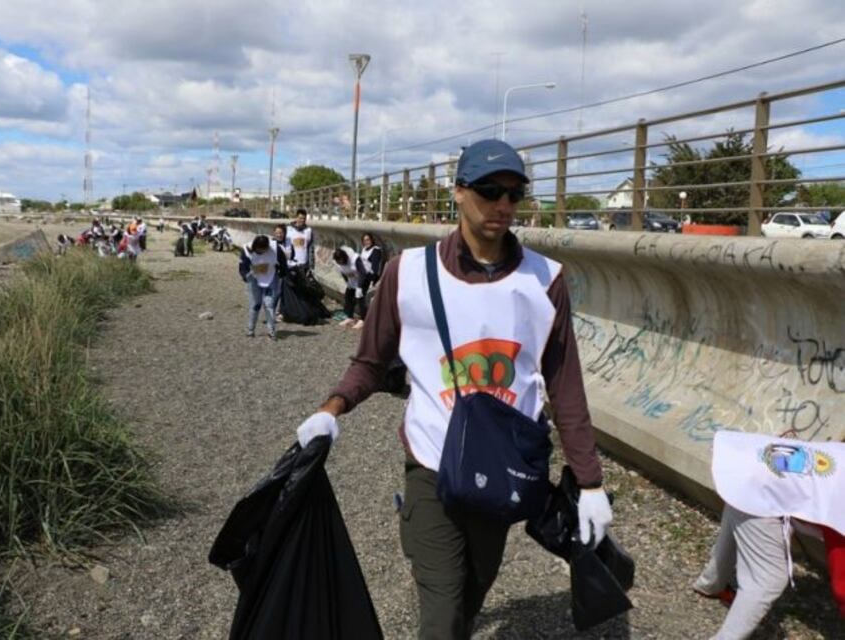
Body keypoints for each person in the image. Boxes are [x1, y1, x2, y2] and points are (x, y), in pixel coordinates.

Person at [293, 139, 613, 638]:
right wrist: (330, 410)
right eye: (489, 190)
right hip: (431, 465)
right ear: (459, 192)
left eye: (514, 193)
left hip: (505, 467)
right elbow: (371, 363)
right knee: (441, 611)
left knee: (473, 590)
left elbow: (564, 386)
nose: (503, 205)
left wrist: (589, 482)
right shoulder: (409, 274)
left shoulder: (546, 280)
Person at [694, 432, 845, 639]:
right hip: (762, 484)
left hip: (750, 465)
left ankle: (710, 584)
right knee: (768, 579)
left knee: (741, 505)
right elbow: (842, 587)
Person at [238, 234, 285, 339]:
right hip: (254, 279)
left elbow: (283, 263)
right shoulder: (246, 249)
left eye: (264, 250)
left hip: (271, 278)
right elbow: (242, 267)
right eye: (259, 251)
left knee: (269, 305)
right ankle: (250, 330)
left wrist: (282, 273)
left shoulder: (275, 248)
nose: (262, 253)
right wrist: (246, 276)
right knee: (255, 304)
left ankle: (271, 331)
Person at [332, 246, 367, 329]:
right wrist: (347, 282)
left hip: (361, 282)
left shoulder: (355, 259)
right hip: (351, 282)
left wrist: (359, 287)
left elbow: (363, 272)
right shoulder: (339, 263)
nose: (340, 263)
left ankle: (363, 320)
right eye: (338, 261)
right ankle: (350, 317)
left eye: (341, 260)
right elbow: (343, 272)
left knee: (360, 300)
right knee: (348, 298)